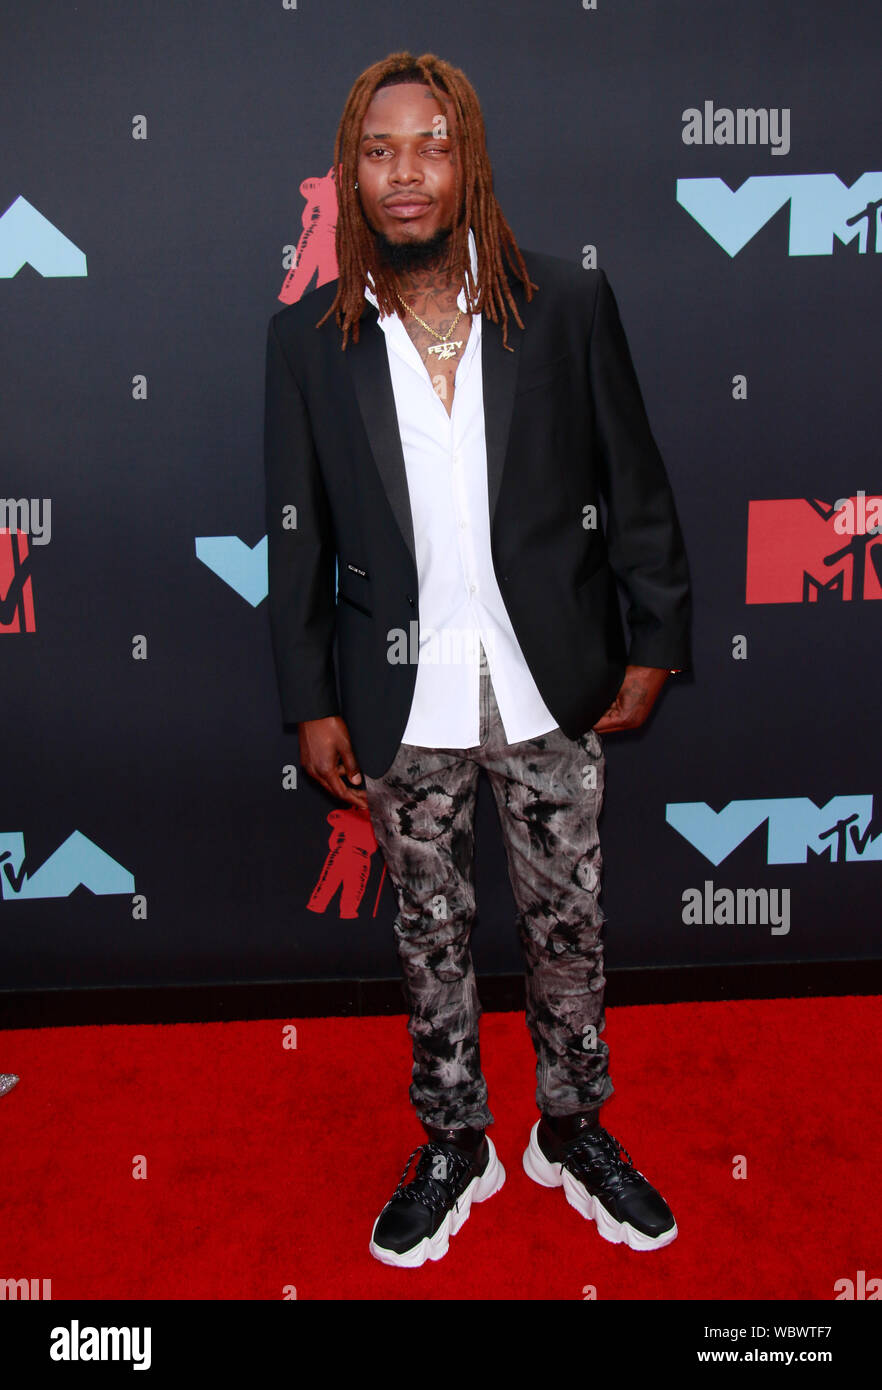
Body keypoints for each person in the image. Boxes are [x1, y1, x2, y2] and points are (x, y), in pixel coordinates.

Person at [264, 51, 691, 1268]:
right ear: (352, 170)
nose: (407, 172)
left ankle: (572, 1126)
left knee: (570, 922)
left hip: (547, 670)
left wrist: (653, 636)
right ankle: (457, 1138)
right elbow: (294, 535)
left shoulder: (563, 305)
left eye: (432, 144)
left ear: (470, 164)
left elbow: (636, 485)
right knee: (431, 934)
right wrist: (308, 697)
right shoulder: (307, 345)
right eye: (381, 148)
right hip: (399, 688)